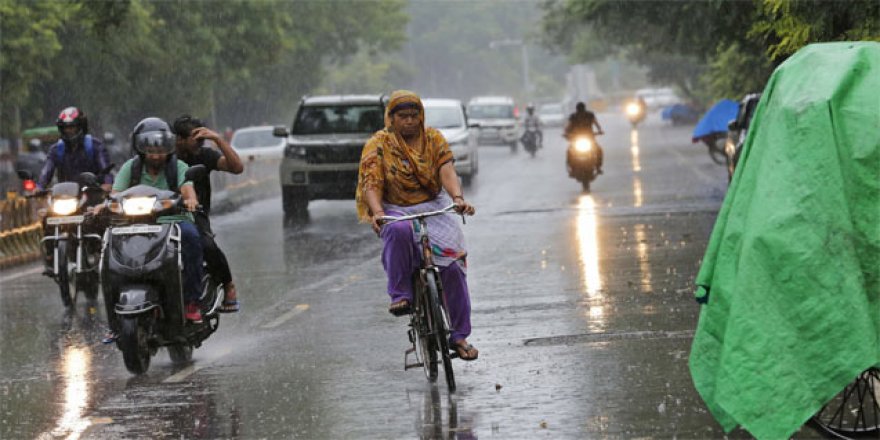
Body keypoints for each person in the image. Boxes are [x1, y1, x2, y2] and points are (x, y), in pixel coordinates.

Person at [356, 90, 479, 361]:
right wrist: (378, 212)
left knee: (453, 265)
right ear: (391, 118)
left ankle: (459, 336)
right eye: (403, 117)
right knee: (398, 231)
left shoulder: (433, 138)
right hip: (394, 207)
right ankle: (401, 293)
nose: (409, 122)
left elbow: (446, 170)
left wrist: (457, 198)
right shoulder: (378, 144)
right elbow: (371, 183)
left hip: (433, 204)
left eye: (414, 116)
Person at [99, 117, 204, 335]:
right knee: (109, 250)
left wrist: (191, 200)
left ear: (169, 148)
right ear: (141, 149)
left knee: (193, 238)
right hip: (137, 224)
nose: (156, 155)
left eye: (160, 150)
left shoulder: (179, 167)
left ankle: (192, 302)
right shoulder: (131, 168)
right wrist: (104, 205)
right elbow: (116, 194)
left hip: (174, 222)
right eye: (150, 150)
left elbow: (187, 189)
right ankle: (113, 319)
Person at [173, 115, 244, 313]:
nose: (200, 143)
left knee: (205, 244)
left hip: (195, 213)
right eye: (196, 139)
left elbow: (237, 168)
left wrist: (218, 140)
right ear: (179, 139)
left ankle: (228, 285)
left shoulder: (204, 156)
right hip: (163, 214)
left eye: (203, 139)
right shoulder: (164, 157)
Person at [36, 106, 114, 274]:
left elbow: (105, 169)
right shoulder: (56, 150)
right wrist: (39, 188)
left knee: (101, 218)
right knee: (47, 217)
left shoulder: (95, 146)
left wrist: (106, 184)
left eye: (72, 127)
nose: (69, 131)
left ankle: (103, 251)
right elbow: (46, 171)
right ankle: (50, 256)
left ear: (81, 127)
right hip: (66, 197)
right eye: (66, 128)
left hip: (91, 195)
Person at [564, 101, 605, 173]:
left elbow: (596, 123)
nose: (581, 112)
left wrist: (600, 131)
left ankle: (598, 167)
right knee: (569, 151)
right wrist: (566, 133)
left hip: (589, 138)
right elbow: (568, 126)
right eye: (580, 110)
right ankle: (571, 167)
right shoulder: (573, 117)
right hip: (576, 139)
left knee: (598, 150)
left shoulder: (590, 115)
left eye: (582, 110)